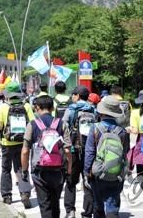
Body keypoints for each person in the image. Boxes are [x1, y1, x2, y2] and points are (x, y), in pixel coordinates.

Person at [21, 95, 72, 218]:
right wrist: (69, 168)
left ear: (37, 107)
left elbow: (25, 151)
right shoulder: (62, 124)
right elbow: (67, 149)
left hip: (39, 170)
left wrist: (24, 170)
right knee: (55, 202)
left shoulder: (32, 125)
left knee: (44, 204)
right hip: (59, 170)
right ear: (52, 107)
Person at [84, 95, 128, 218]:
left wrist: (87, 172)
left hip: (98, 172)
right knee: (113, 203)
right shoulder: (122, 131)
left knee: (98, 204)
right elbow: (124, 152)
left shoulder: (95, 128)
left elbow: (89, 152)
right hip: (116, 172)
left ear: (102, 112)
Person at [0, 87, 35, 208]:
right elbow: (32, 122)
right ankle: (25, 193)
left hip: (7, 142)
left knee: (6, 169)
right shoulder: (27, 106)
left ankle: (7, 195)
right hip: (23, 142)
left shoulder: (3, 107)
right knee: (22, 168)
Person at [62, 85, 96, 218]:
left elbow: (64, 127)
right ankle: (87, 212)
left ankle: (70, 211)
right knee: (88, 179)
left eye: (73, 94)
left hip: (74, 150)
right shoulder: (93, 109)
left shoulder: (71, 110)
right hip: (90, 150)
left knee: (70, 180)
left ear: (77, 96)